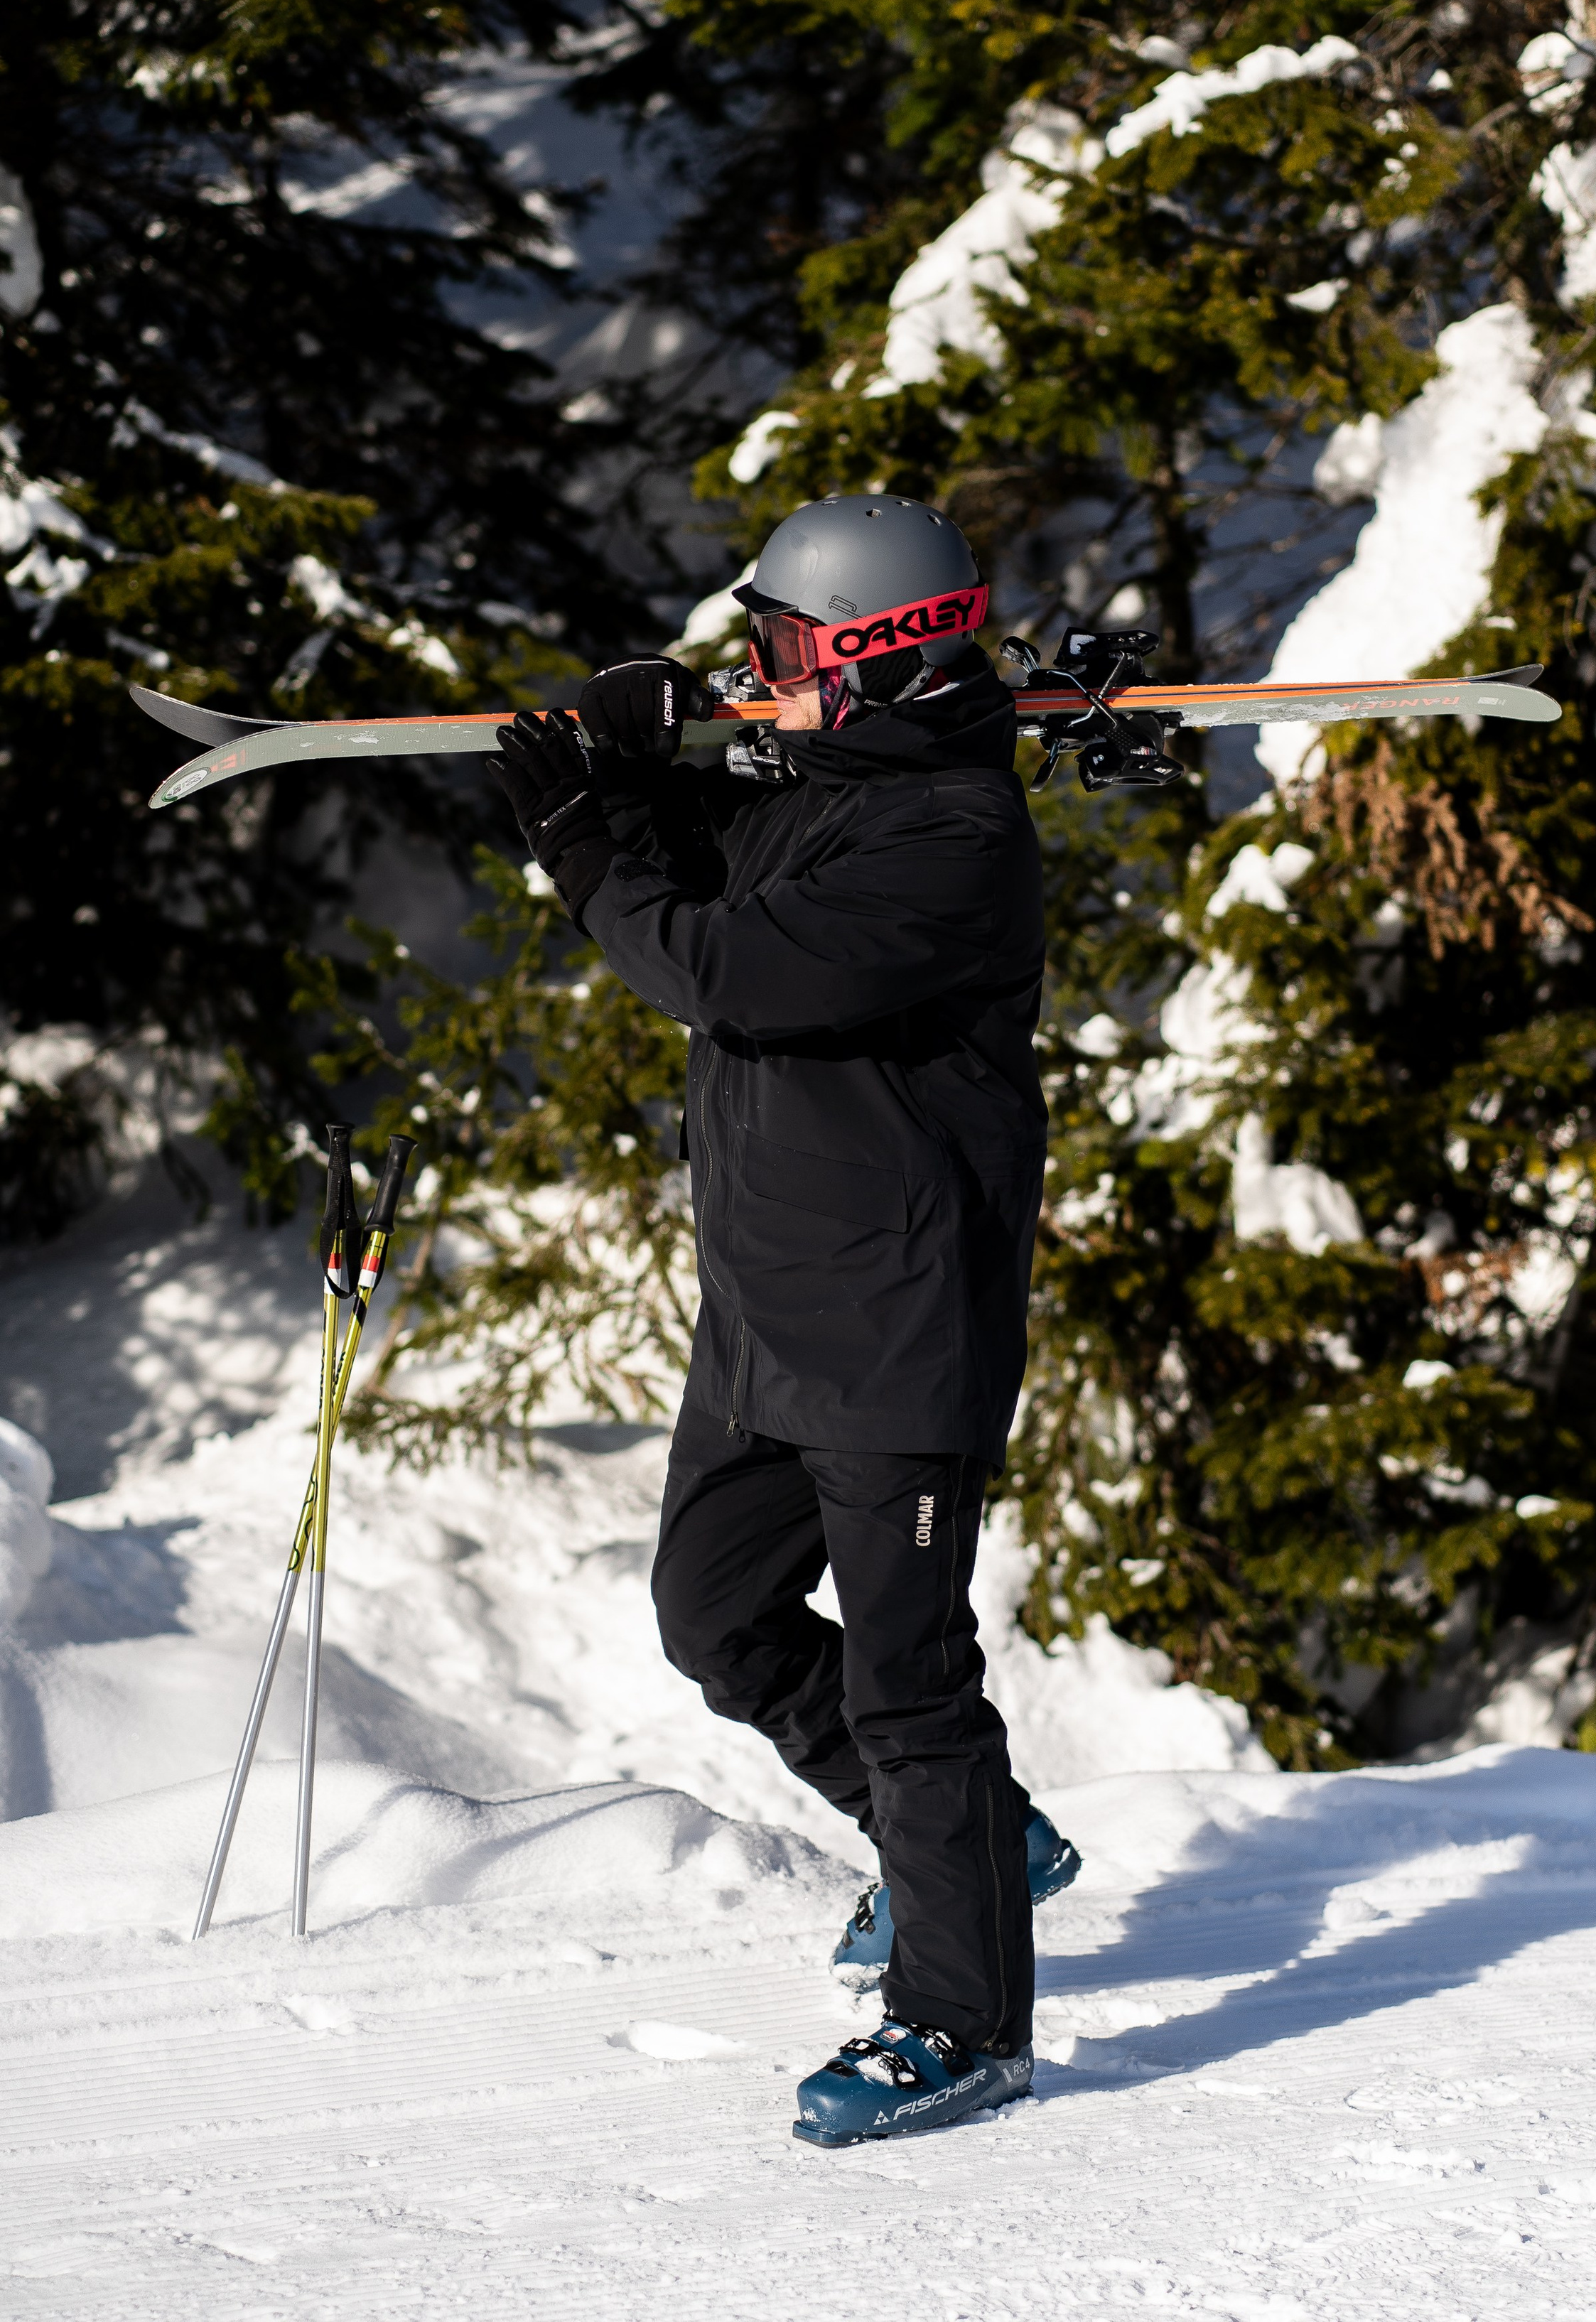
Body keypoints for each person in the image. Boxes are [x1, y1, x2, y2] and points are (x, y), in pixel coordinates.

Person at [490, 493, 1079, 2149]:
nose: (756, 671)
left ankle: (962, 2025)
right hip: (767, 1312)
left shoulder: (948, 839)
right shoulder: (835, 785)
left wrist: (584, 841)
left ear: (867, 654)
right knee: (715, 1615)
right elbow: (707, 860)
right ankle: (965, 1844)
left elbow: (726, 970)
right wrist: (623, 765)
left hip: (898, 1326)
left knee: (909, 1685)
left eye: (774, 647)